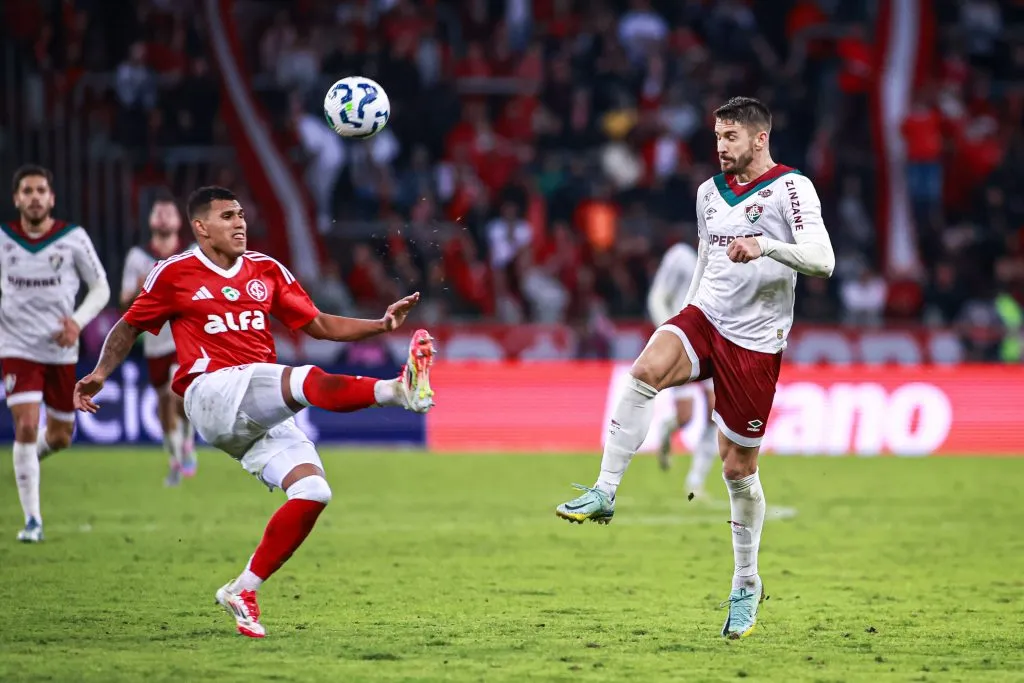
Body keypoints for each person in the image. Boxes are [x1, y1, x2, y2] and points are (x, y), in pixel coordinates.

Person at [74, 186, 435, 638]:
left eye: (241, 214)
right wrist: (100, 373)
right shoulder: (175, 273)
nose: (240, 223)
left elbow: (319, 324)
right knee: (302, 379)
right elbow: (129, 326)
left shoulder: (266, 270)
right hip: (208, 391)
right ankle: (400, 390)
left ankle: (243, 588)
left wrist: (380, 325)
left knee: (313, 492)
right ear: (201, 228)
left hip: (253, 406)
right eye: (227, 216)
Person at [555, 97, 835, 638]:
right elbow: (707, 260)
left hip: (755, 342)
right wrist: (682, 321)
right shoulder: (709, 193)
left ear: (759, 139)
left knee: (737, 471)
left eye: (730, 137)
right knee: (643, 372)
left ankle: (746, 583)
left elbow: (823, 260)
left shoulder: (792, 188)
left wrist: (767, 247)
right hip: (705, 314)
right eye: (716, 137)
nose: (720, 147)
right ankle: (605, 491)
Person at [2, 164, 111, 543]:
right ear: (16, 198)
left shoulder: (72, 238)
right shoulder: (3, 239)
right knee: (27, 426)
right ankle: (33, 521)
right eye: (27, 191)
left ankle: (25, 461)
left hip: (61, 351)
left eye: (40, 191)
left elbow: (100, 287)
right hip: (16, 347)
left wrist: (77, 322)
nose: (34, 197)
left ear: (52, 198)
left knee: (62, 435)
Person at [121, 192, 196, 486]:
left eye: (169, 211)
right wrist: (140, 292)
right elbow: (124, 302)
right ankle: (176, 457)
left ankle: (188, 442)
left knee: (180, 395)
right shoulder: (138, 257)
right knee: (164, 401)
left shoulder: (191, 253)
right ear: (151, 220)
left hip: (183, 336)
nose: (164, 216)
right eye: (158, 211)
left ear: (179, 221)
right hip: (154, 341)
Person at [646, 241, 719, 497]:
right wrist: (669, 333)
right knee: (686, 417)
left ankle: (695, 482)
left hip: (713, 343)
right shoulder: (680, 256)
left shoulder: (731, 253)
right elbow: (657, 296)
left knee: (715, 411)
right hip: (684, 344)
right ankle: (668, 428)